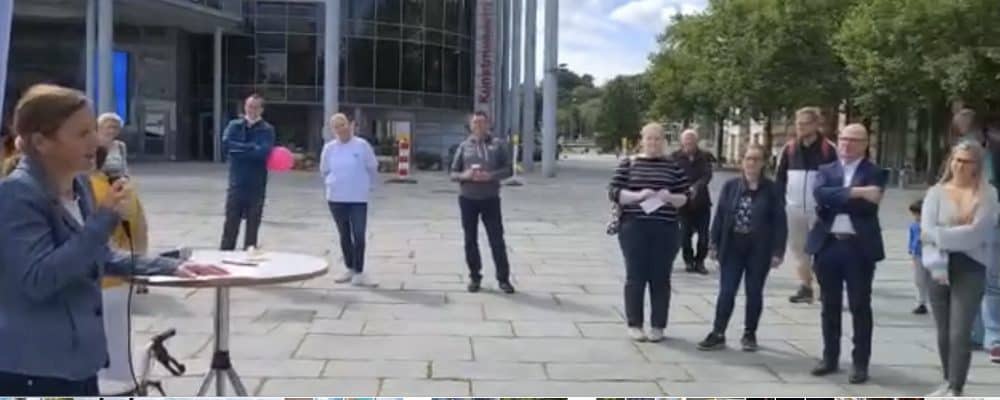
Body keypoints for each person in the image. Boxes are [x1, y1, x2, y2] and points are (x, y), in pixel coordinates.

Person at [0, 84, 226, 395]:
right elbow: (38, 278)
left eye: (93, 129)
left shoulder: (79, 185)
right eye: (81, 134)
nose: (95, 140)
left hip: (80, 362)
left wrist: (168, 266)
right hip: (35, 368)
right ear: (41, 142)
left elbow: (99, 257)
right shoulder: (17, 194)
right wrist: (103, 220)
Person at [805, 123, 885, 385]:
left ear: (864, 144)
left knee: (860, 305)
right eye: (843, 139)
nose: (846, 144)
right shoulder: (826, 170)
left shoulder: (875, 172)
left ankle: (860, 362)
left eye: (853, 140)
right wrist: (857, 192)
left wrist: (837, 198)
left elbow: (867, 208)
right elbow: (820, 194)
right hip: (828, 245)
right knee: (829, 305)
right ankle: (830, 357)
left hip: (858, 247)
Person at [921, 140, 998, 396]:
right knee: (943, 330)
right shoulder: (936, 193)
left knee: (959, 330)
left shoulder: (987, 194)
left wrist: (941, 235)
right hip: (938, 265)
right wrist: (948, 234)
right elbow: (926, 230)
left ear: (977, 165)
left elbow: (977, 233)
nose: (959, 165)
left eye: (966, 161)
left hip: (971, 266)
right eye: (956, 159)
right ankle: (947, 381)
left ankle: (957, 386)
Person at [698, 144, 787, 352]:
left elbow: (780, 222)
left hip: (759, 249)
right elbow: (720, 216)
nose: (751, 163)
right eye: (748, 158)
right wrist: (713, 242)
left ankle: (750, 333)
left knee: (754, 291)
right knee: (727, 291)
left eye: (756, 159)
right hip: (733, 247)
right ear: (742, 161)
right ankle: (718, 332)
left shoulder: (772, 190)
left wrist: (778, 251)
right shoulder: (731, 186)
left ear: (764, 163)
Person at [608, 122, 689, 342]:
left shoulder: (673, 167)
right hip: (634, 227)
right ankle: (635, 324)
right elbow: (614, 192)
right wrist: (638, 195)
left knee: (661, 278)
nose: (653, 143)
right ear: (641, 140)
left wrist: (669, 197)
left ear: (664, 141)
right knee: (635, 276)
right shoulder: (628, 164)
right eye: (649, 138)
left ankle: (658, 325)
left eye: (658, 138)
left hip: (665, 229)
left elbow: (684, 197)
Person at [776, 107, 838, 304]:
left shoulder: (829, 150)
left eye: (804, 124)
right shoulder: (789, 149)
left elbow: (837, 181)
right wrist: (779, 204)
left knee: (822, 250)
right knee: (798, 249)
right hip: (794, 208)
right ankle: (805, 286)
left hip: (819, 209)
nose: (800, 127)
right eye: (798, 124)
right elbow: (780, 179)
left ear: (815, 124)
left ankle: (827, 288)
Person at [450, 111, 515, 294]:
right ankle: (474, 277)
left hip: (490, 199)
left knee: (496, 239)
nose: (478, 126)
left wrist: (491, 176)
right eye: (475, 123)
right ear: (471, 126)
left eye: (482, 123)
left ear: (488, 125)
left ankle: (503, 279)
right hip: (468, 199)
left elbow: (508, 169)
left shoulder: (498, 145)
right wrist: (465, 175)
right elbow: (453, 173)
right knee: (470, 240)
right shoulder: (464, 147)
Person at [321, 113, 379, 288]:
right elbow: (324, 170)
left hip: (358, 198)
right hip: (336, 198)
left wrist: (367, 186)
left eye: (343, 124)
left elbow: (372, 167)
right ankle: (349, 267)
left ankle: (360, 271)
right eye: (336, 126)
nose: (341, 129)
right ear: (332, 130)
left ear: (351, 125)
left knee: (359, 235)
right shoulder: (329, 148)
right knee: (344, 234)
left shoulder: (362, 146)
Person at [220, 94, 276, 251]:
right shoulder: (234, 125)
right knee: (230, 227)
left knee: (252, 230)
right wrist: (251, 147)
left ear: (261, 110)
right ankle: (224, 260)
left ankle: (249, 264)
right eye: (249, 106)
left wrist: (239, 149)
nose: (252, 110)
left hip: (256, 186)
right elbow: (226, 146)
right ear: (245, 107)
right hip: (236, 184)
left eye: (256, 107)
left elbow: (263, 153)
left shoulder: (267, 130)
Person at [672, 129, 713, 275]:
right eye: (686, 141)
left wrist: (696, 187)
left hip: (702, 202)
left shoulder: (704, 157)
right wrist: (683, 189)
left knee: (704, 236)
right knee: (685, 235)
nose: (689, 143)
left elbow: (707, 175)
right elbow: (672, 177)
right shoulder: (675, 157)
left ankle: (700, 261)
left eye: (692, 141)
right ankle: (688, 261)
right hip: (683, 202)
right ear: (682, 142)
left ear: (696, 142)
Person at [908, 199, 929, 315]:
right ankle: (921, 302)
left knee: (931, 280)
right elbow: (911, 238)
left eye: (918, 214)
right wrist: (911, 250)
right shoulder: (913, 226)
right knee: (919, 280)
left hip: (929, 254)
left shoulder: (930, 225)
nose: (916, 217)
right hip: (917, 255)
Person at [96, 113, 128, 181]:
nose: (112, 130)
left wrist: (125, 178)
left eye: (115, 127)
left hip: (117, 184)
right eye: (109, 127)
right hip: (97, 183)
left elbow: (124, 168)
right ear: (100, 128)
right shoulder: (93, 145)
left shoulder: (120, 146)